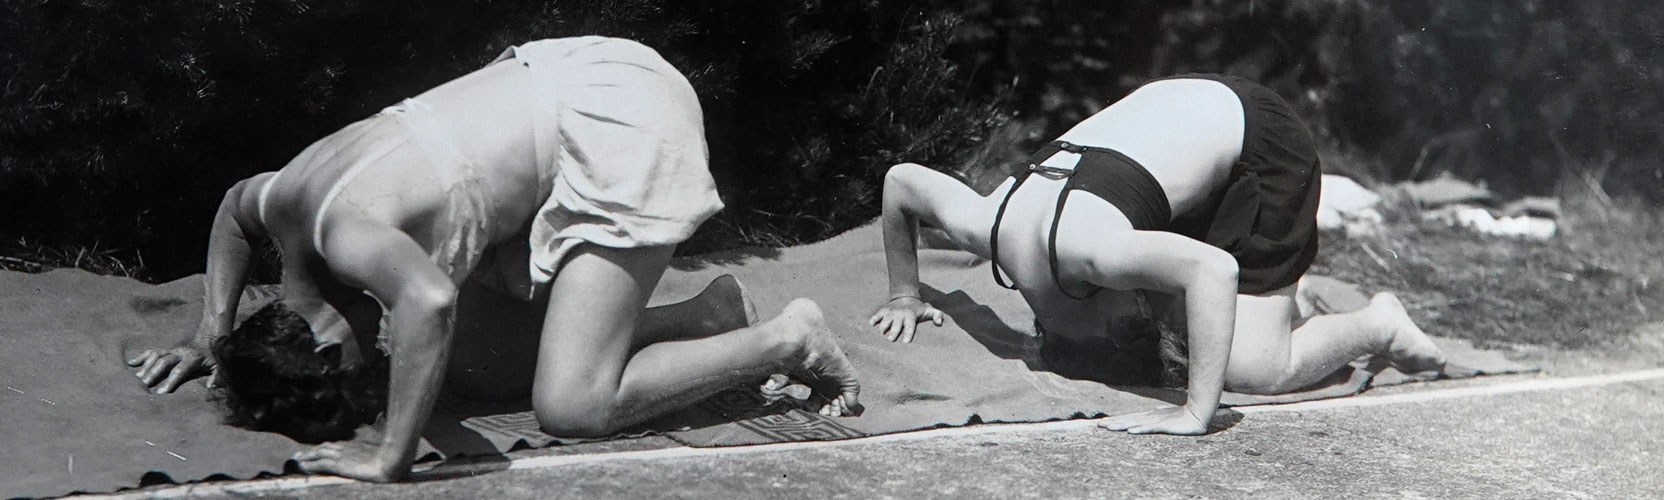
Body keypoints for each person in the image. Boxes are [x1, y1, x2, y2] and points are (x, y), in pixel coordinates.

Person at [125, 36, 860, 482]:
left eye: (356, 368)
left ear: (320, 343)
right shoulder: (286, 203)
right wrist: (208, 334)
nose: (373, 357)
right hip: (569, 79)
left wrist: (391, 454)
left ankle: (787, 339)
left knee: (572, 406)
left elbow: (428, 304)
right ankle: (709, 315)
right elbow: (230, 208)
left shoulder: (348, 238)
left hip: (619, 118)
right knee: (476, 370)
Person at [868, 74, 1446, 436]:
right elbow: (902, 182)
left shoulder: (1097, 254)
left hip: (1261, 137)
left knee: (1252, 368)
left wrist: (1196, 412)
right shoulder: (987, 223)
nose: (1146, 315)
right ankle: (1284, 296)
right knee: (1199, 318)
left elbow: (1212, 268)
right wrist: (906, 295)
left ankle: (1380, 323)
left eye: (1134, 321)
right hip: (1179, 102)